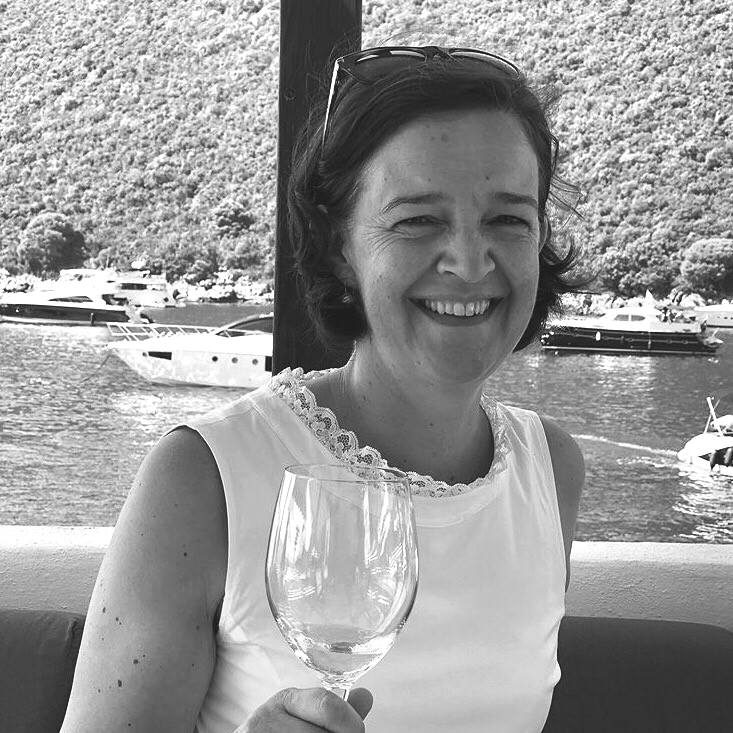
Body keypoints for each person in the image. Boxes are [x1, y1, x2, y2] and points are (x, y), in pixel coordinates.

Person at [61, 44, 585, 733]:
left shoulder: (551, 467)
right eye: (417, 219)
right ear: (340, 248)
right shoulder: (205, 476)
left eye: (508, 219)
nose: (467, 260)